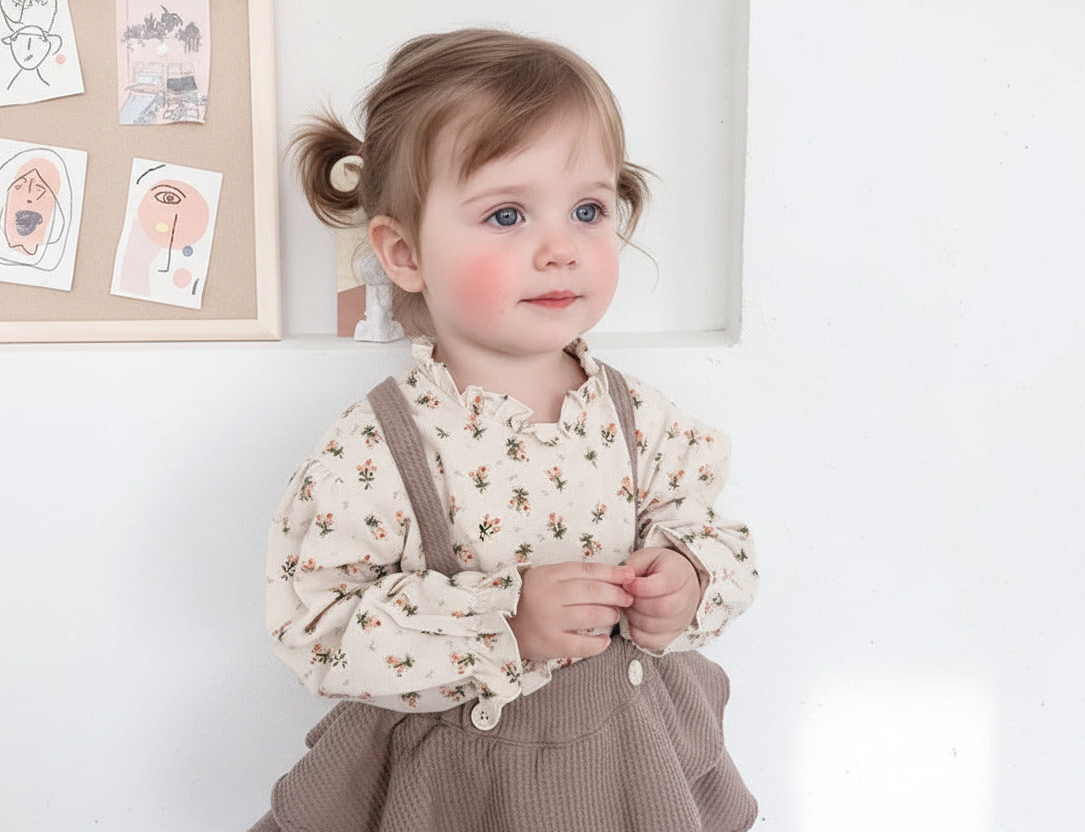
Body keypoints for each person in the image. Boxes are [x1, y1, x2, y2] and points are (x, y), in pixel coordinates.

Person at [251, 28, 760, 832]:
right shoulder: (380, 446)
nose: (561, 249)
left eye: (589, 209)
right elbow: (317, 625)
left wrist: (689, 577)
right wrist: (507, 621)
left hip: (629, 773)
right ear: (404, 252)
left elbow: (715, 532)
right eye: (508, 214)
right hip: (460, 791)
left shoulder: (641, 419)